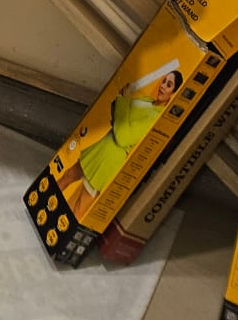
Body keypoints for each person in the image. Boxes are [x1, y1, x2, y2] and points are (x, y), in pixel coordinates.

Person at [56, 70, 184, 220]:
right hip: (101, 147)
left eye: (169, 85)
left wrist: (124, 101)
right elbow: (117, 116)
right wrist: (120, 99)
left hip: (110, 160)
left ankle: (62, 227)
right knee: (68, 176)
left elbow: (123, 138)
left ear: (173, 93)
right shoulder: (147, 101)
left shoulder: (156, 118)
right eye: (164, 81)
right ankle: (45, 201)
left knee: (81, 205)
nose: (162, 86)